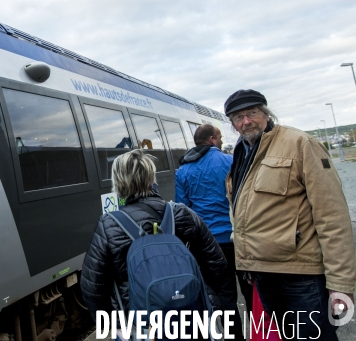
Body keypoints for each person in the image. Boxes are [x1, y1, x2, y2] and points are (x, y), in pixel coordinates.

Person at [224, 89, 356, 340]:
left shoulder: (299, 143)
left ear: (265, 113)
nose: (246, 121)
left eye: (252, 113)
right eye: (238, 117)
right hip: (264, 274)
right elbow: (241, 212)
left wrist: (340, 283)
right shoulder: (240, 151)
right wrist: (248, 264)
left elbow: (332, 216)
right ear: (232, 124)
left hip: (301, 275)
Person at [80, 149, 227, 325]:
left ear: (118, 183)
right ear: (152, 178)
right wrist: (208, 299)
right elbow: (217, 263)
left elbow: (92, 287)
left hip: (139, 323)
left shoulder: (108, 225)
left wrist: (114, 324)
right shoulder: (182, 213)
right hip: (190, 315)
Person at [175, 123, 246, 340]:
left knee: (223, 295)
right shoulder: (231, 161)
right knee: (252, 291)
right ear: (212, 139)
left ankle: (233, 336)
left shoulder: (183, 170)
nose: (222, 140)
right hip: (237, 240)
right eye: (220, 137)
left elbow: (183, 209)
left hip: (206, 245)